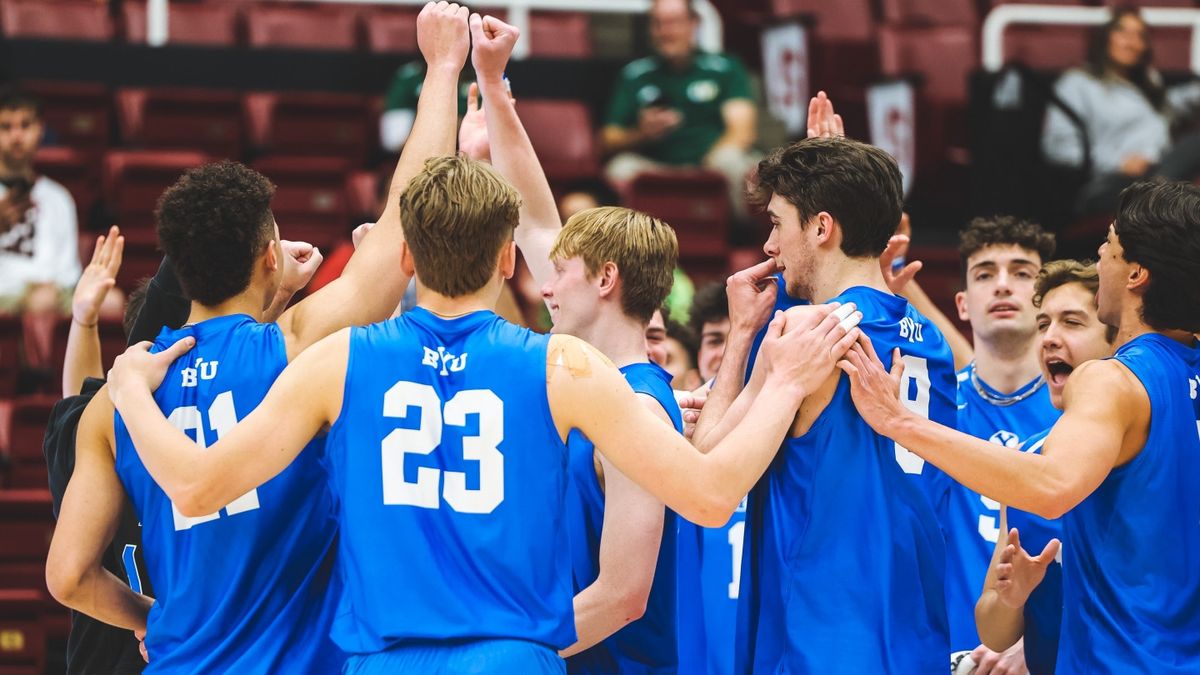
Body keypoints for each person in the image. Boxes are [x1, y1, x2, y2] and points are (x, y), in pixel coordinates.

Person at [100, 13, 863, 673]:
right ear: (507, 263)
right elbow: (710, 490)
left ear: (405, 258)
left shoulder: (338, 362)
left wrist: (130, 388)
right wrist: (784, 383)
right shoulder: (562, 364)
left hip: (381, 659)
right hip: (508, 654)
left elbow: (196, 486)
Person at [43, 2, 467, 670]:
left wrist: (149, 619)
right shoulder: (294, 349)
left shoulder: (118, 398)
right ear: (270, 257)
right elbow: (403, 220)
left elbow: (67, 576)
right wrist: (443, 69)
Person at [840, 178, 1200, 672]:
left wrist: (898, 420)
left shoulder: (1113, 380)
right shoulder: (1186, 374)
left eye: (1107, 247)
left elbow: (1052, 486)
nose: (1099, 260)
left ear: (1137, 273)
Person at [689, 132, 956, 672]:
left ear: (821, 227)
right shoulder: (933, 338)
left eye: (777, 223)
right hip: (915, 633)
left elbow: (705, 461)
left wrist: (742, 333)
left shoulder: (806, 331)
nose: (769, 246)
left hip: (818, 635)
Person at [540, 208, 685, 672]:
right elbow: (533, 220)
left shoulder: (639, 406)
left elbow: (624, 595)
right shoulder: (591, 387)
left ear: (606, 278)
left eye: (561, 272)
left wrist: (518, 648)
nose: (547, 288)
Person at [969, 259, 1118, 675]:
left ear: (1114, 339)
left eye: (1071, 322)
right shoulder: (1026, 459)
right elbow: (993, 632)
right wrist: (1011, 598)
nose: (1050, 338)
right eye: (1043, 324)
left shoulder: (1157, 445)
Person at [937, 216, 1061, 669]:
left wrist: (1037, 645)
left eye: (1022, 273)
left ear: (1044, 302)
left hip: (1045, 657)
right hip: (941, 652)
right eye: (985, 274)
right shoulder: (931, 408)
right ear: (963, 304)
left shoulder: (1082, 410)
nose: (1003, 286)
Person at [602, 0, 758, 223]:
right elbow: (609, 137)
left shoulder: (724, 68)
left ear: (693, 24)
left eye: (673, 22)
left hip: (710, 162)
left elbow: (742, 132)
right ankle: (633, 242)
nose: (665, 32)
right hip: (659, 165)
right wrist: (641, 133)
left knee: (733, 161)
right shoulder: (635, 75)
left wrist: (706, 164)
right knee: (619, 168)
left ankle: (743, 237)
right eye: (658, 24)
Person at [1043, 7, 1200, 215]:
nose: (1132, 41)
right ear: (1106, 37)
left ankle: (1162, 193)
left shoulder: (1148, 84)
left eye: (1140, 35)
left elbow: (1174, 102)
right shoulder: (1078, 83)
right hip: (1111, 184)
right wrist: (1116, 162)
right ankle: (1162, 195)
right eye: (1123, 32)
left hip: (1160, 169)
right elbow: (1057, 146)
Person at [0, 86, 83, 366]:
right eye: (6, 127)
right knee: (41, 302)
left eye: (25, 125)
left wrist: (51, 287)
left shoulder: (59, 198)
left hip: (52, 293)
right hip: (6, 295)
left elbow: (69, 271)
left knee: (109, 301)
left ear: (40, 130)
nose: (16, 136)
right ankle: (34, 379)